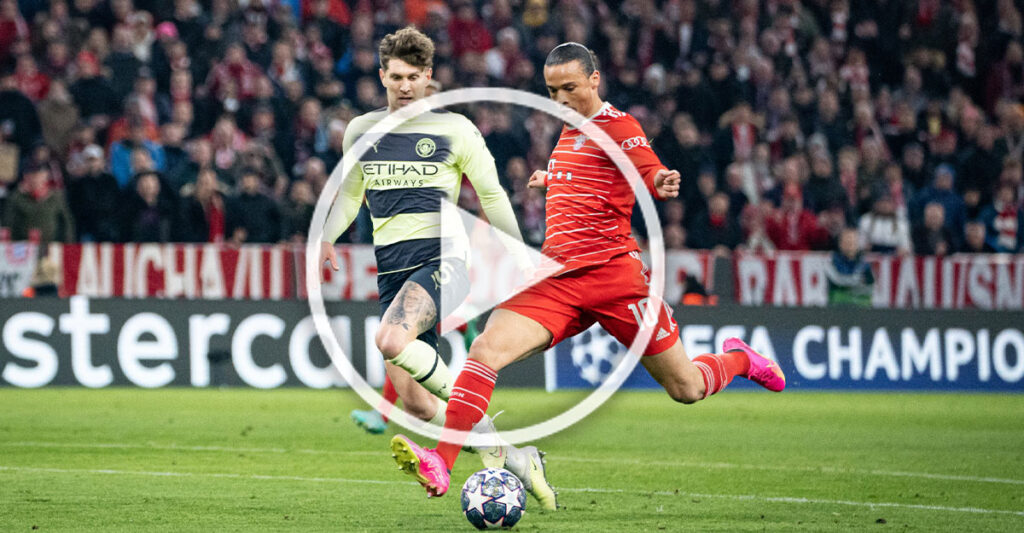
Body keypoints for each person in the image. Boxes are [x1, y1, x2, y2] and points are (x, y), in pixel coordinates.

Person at [389, 42, 785, 502]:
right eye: (552, 91)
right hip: (557, 279)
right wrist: (551, 179)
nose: (560, 99)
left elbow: (644, 167)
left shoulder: (619, 125)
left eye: (570, 88)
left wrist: (659, 180)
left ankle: (740, 359)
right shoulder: (568, 131)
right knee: (485, 348)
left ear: (595, 80)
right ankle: (441, 461)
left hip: (615, 280)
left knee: (687, 388)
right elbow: (592, 180)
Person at [316, 27, 555, 508]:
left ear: (428, 77)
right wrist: (326, 236)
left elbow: (492, 196)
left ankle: (480, 439)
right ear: (382, 77)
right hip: (392, 273)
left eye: (413, 77)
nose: (405, 86)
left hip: (442, 262)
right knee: (421, 406)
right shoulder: (361, 131)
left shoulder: (456, 130)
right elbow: (351, 193)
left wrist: (519, 254)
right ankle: (516, 458)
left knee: (390, 339)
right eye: (396, 77)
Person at [826, 228, 875, 307]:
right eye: (847, 242)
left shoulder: (865, 265)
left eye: (852, 242)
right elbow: (834, 285)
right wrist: (856, 283)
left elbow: (869, 289)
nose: (850, 245)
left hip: (860, 309)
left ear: (858, 244)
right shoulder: (832, 263)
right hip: (838, 308)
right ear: (840, 244)